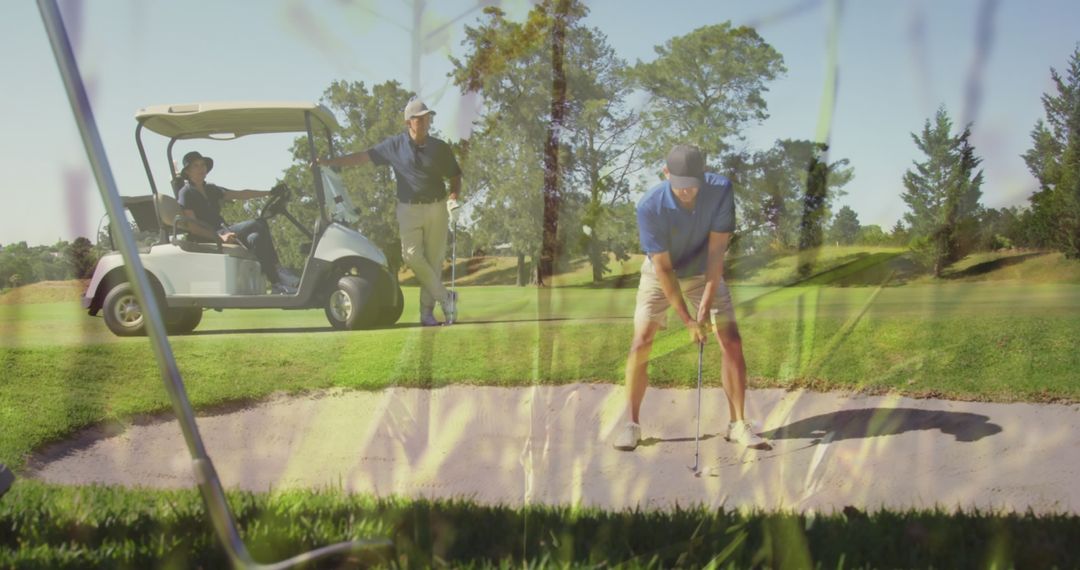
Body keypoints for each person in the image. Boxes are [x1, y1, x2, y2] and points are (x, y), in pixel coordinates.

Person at [614, 144, 768, 452]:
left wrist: (704, 313)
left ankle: (737, 423)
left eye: (693, 184)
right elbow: (664, 269)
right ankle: (631, 424)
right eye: (681, 185)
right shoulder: (650, 206)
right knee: (641, 341)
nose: (687, 192)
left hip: (702, 274)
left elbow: (715, 259)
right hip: (660, 276)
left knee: (732, 340)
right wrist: (688, 321)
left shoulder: (721, 191)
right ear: (666, 173)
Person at [316, 99, 461, 326]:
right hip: (408, 208)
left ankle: (426, 314)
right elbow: (361, 157)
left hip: (437, 207)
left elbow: (454, 174)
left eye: (427, 117)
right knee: (411, 256)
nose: (425, 122)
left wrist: (453, 197)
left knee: (434, 262)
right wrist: (329, 162)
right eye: (419, 118)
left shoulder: (439, 147)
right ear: (408, 123)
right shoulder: (394, 146)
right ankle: (446, 297)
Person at [174, 151, 299, 294]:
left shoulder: (211, 189)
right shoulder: (186, 193)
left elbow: (241, 194)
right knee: (258, 223)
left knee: (255, 238)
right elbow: (193, 227)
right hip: (209, 236)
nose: (201, 168)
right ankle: (278, 269)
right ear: (188, 171)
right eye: (196, 166)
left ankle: (276, 284)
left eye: (203, 165)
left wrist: (270, 192)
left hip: (223, 231)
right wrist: (219, 237)